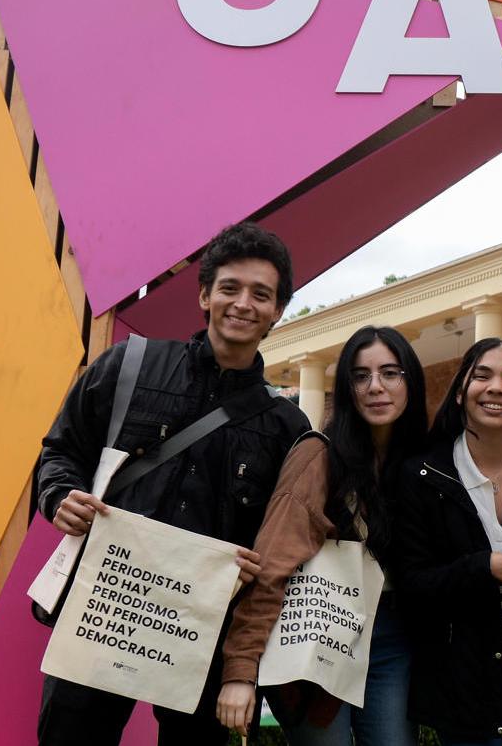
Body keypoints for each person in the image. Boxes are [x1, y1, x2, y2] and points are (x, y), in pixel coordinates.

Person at [34, 222, 311, 745]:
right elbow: (60, 450)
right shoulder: (129, 366)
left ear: (277, 311)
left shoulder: (287, 427)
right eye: (229, 288)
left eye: (261, 294)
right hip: (105, 610)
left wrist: (262, 562)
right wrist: (58, 497)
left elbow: (285, 541)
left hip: (204, 634)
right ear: (205, 294)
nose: (242, 304)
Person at [216, 325, 428, 746]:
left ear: (411, 382)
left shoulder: (424, 462)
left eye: (391, 373)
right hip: (316, 630)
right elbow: (272, 562)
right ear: (346, 389)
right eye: (360, 375)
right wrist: (241, 670)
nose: (375, 387)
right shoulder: (319, 455)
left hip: (391, 640)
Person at [388, 338, 502, 746]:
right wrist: (485, 567)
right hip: (461, 669)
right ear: (462, 390)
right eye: (482, 375)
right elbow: (412, 582)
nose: (496, 387)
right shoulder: (423, 475)